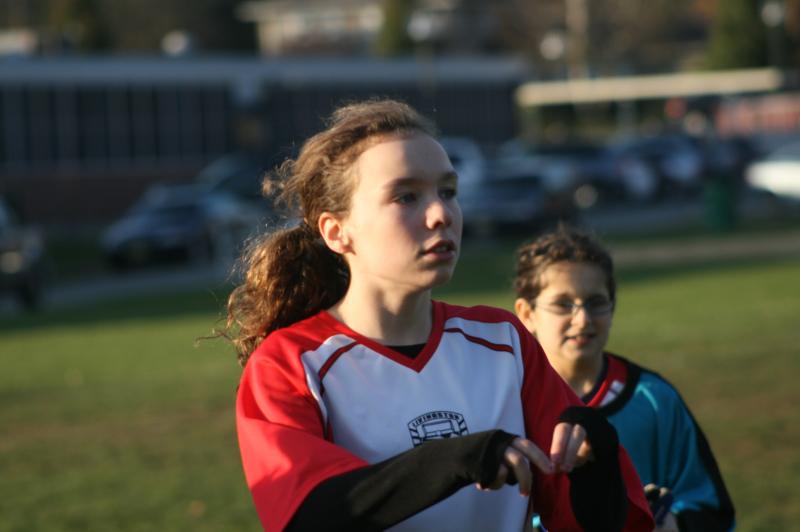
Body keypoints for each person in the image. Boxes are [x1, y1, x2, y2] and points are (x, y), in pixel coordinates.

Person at [226, 99, 654, 531]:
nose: (441, 214)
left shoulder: (502, 340)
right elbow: (306, 514)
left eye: (448, 192)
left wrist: (596, 461)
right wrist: (454, 459)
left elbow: (592, 522)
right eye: (406, 196)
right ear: (337, 232)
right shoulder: (289, 363)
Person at [513, 225, 735, 531]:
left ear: (612, 306)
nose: (583, 319)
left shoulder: (654, 400)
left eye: (596, 302)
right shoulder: (509, 404)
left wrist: (670, 522)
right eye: (563, 304)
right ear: (527, 314)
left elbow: (713, 511)